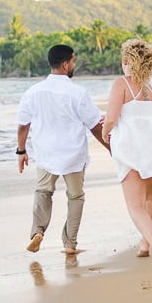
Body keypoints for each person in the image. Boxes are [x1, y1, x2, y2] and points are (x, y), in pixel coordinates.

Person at [16, 43, 108, 256]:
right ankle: (69, 243)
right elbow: (95, 125)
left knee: (43, 192)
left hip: (46, 153)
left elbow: (23, 125)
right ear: (66, 64)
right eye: (73, 61)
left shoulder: (33, 92)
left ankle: (37, 232)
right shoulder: (77, 93)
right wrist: (111, 147)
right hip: (73, 155)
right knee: (75, 197)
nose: (74, 64)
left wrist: (21, 151)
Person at [103, 38, 152, 272]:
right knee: (150, 197)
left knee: (134, 205)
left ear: (126, 61)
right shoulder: (150, 87)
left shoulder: (122, 84)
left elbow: (112, 117)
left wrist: (104, 133)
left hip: (132, 144)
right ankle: (145, 244)